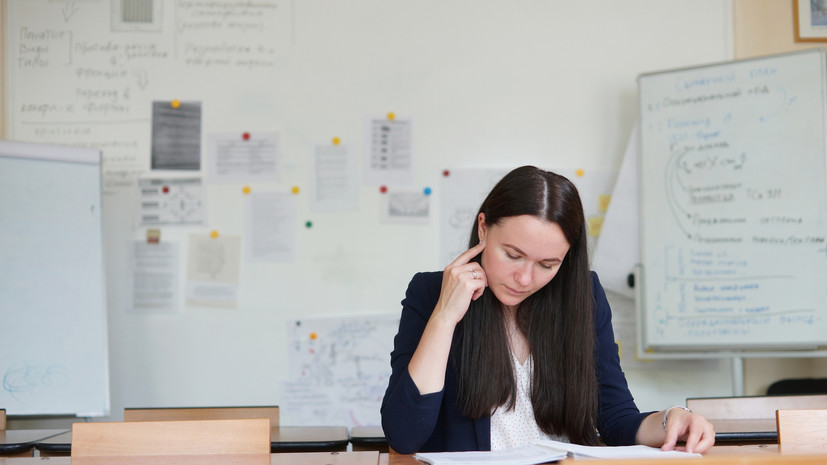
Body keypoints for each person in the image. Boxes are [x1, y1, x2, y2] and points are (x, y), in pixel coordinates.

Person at [380, 166, 715, 454]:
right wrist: (445, 317)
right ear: (483, 228)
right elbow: (404, 435)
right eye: (512, 255)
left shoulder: (585, 297)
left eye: (547, 264)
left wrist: (674, 419)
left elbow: (616, 419)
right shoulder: (430, 294)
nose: (524, 278)